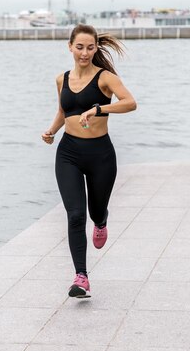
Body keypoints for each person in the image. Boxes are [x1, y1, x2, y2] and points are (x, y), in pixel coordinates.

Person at [41, 24, 137, 298]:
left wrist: (98, 109)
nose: (84, 53)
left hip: (100, 155)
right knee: (74, 215)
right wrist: (51, 131)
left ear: (96, 48)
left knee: (95, 211)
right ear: (70, 47)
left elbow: (130, 103)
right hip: (68, 153)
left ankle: (102, 221)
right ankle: (81, 277)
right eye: (79, 47)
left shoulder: (105, 78)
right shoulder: (61, 78)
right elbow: (63, 110)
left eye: (90, 47)